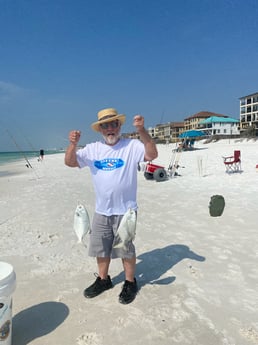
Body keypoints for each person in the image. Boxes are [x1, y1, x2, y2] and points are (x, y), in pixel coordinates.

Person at [65, 107, 158, 304]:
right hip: (101, 211)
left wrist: (142, 131)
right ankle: (103, 279)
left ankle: (130, 282)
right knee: (101, 248)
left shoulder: (131, 145)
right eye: (105, 125)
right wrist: (73, 144)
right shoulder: (93, 149)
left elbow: (152, 155)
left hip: (126, 212)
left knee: (126, 249)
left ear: (119, 125)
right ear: (99, 129)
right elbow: (70, 162)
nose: (110, 128)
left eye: (114, 124)